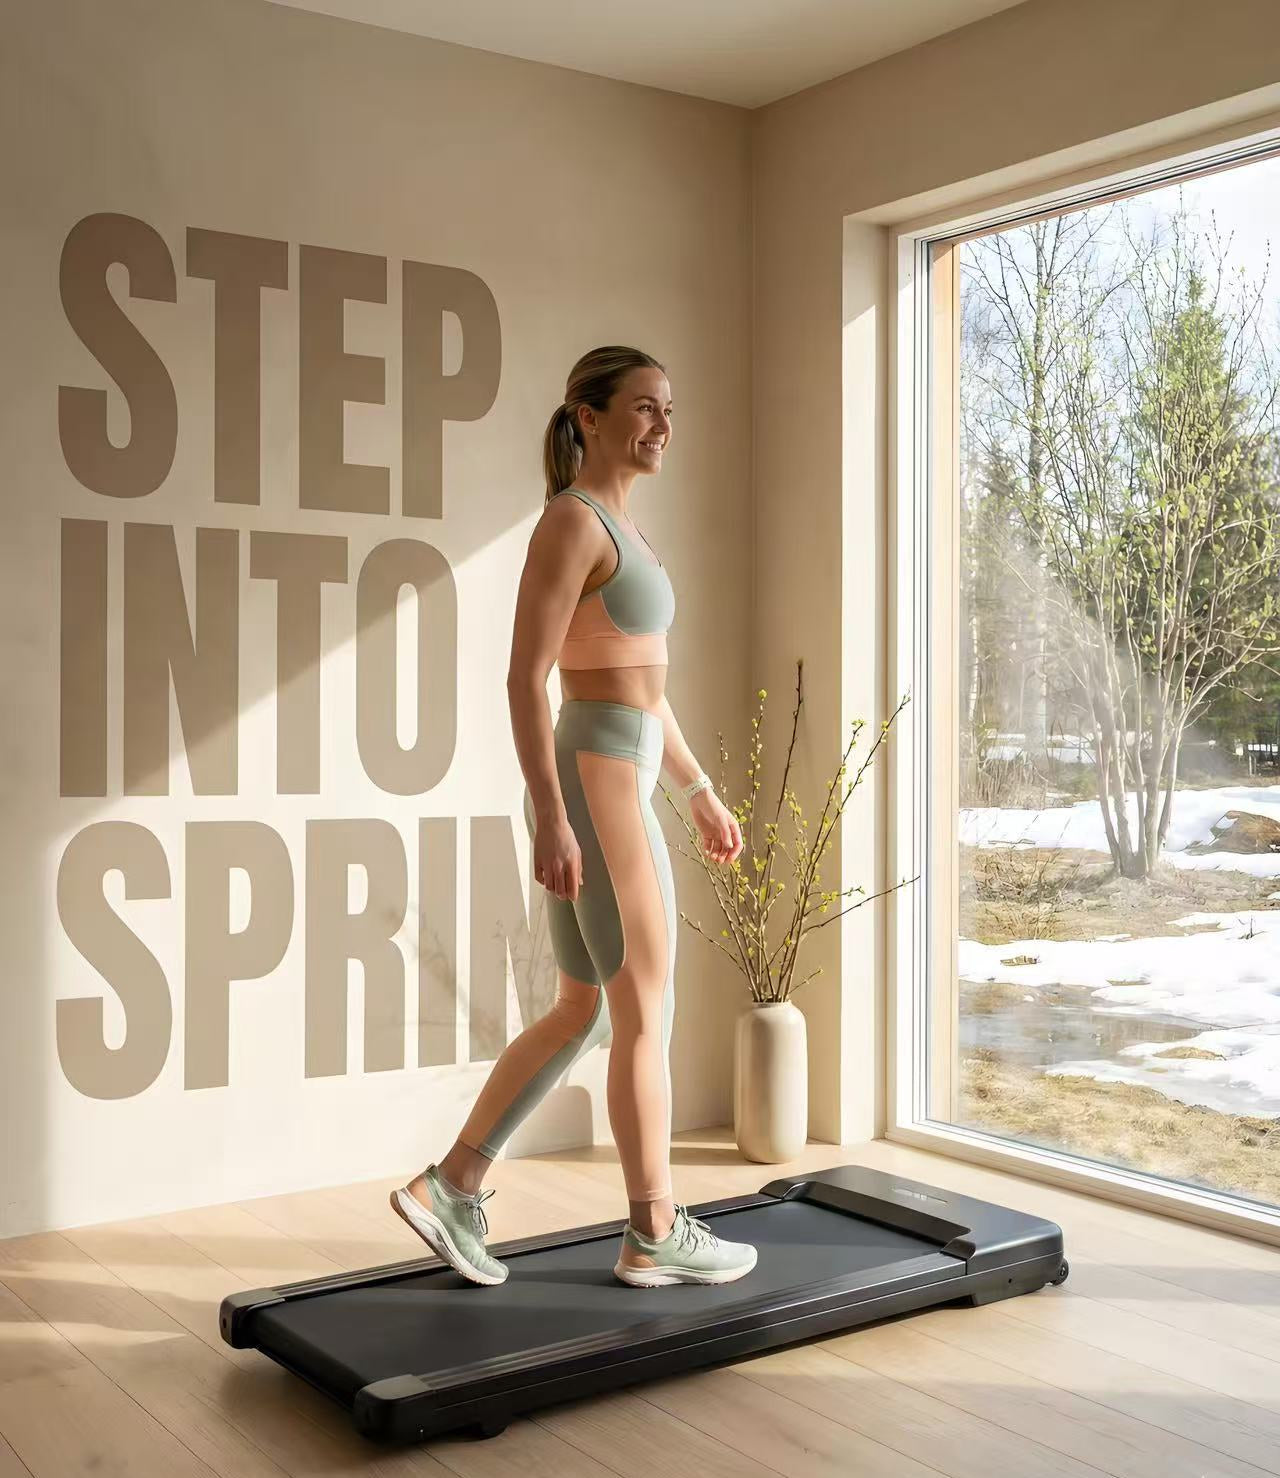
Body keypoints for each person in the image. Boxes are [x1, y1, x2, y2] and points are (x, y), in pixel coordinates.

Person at [391, 346, 757, 1289]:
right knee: (645, 1008)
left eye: (668, 409)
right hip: (591, 780)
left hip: (618, 768)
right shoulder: (571, 522)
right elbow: (526, 677)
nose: (662, 425)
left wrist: (698, 788)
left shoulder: (620, 528)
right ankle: (654, 1228)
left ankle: (453, 1186)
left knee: (586, 1005)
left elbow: (641, 687)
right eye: (642, 407)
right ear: (588, 417)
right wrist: (552, 817)